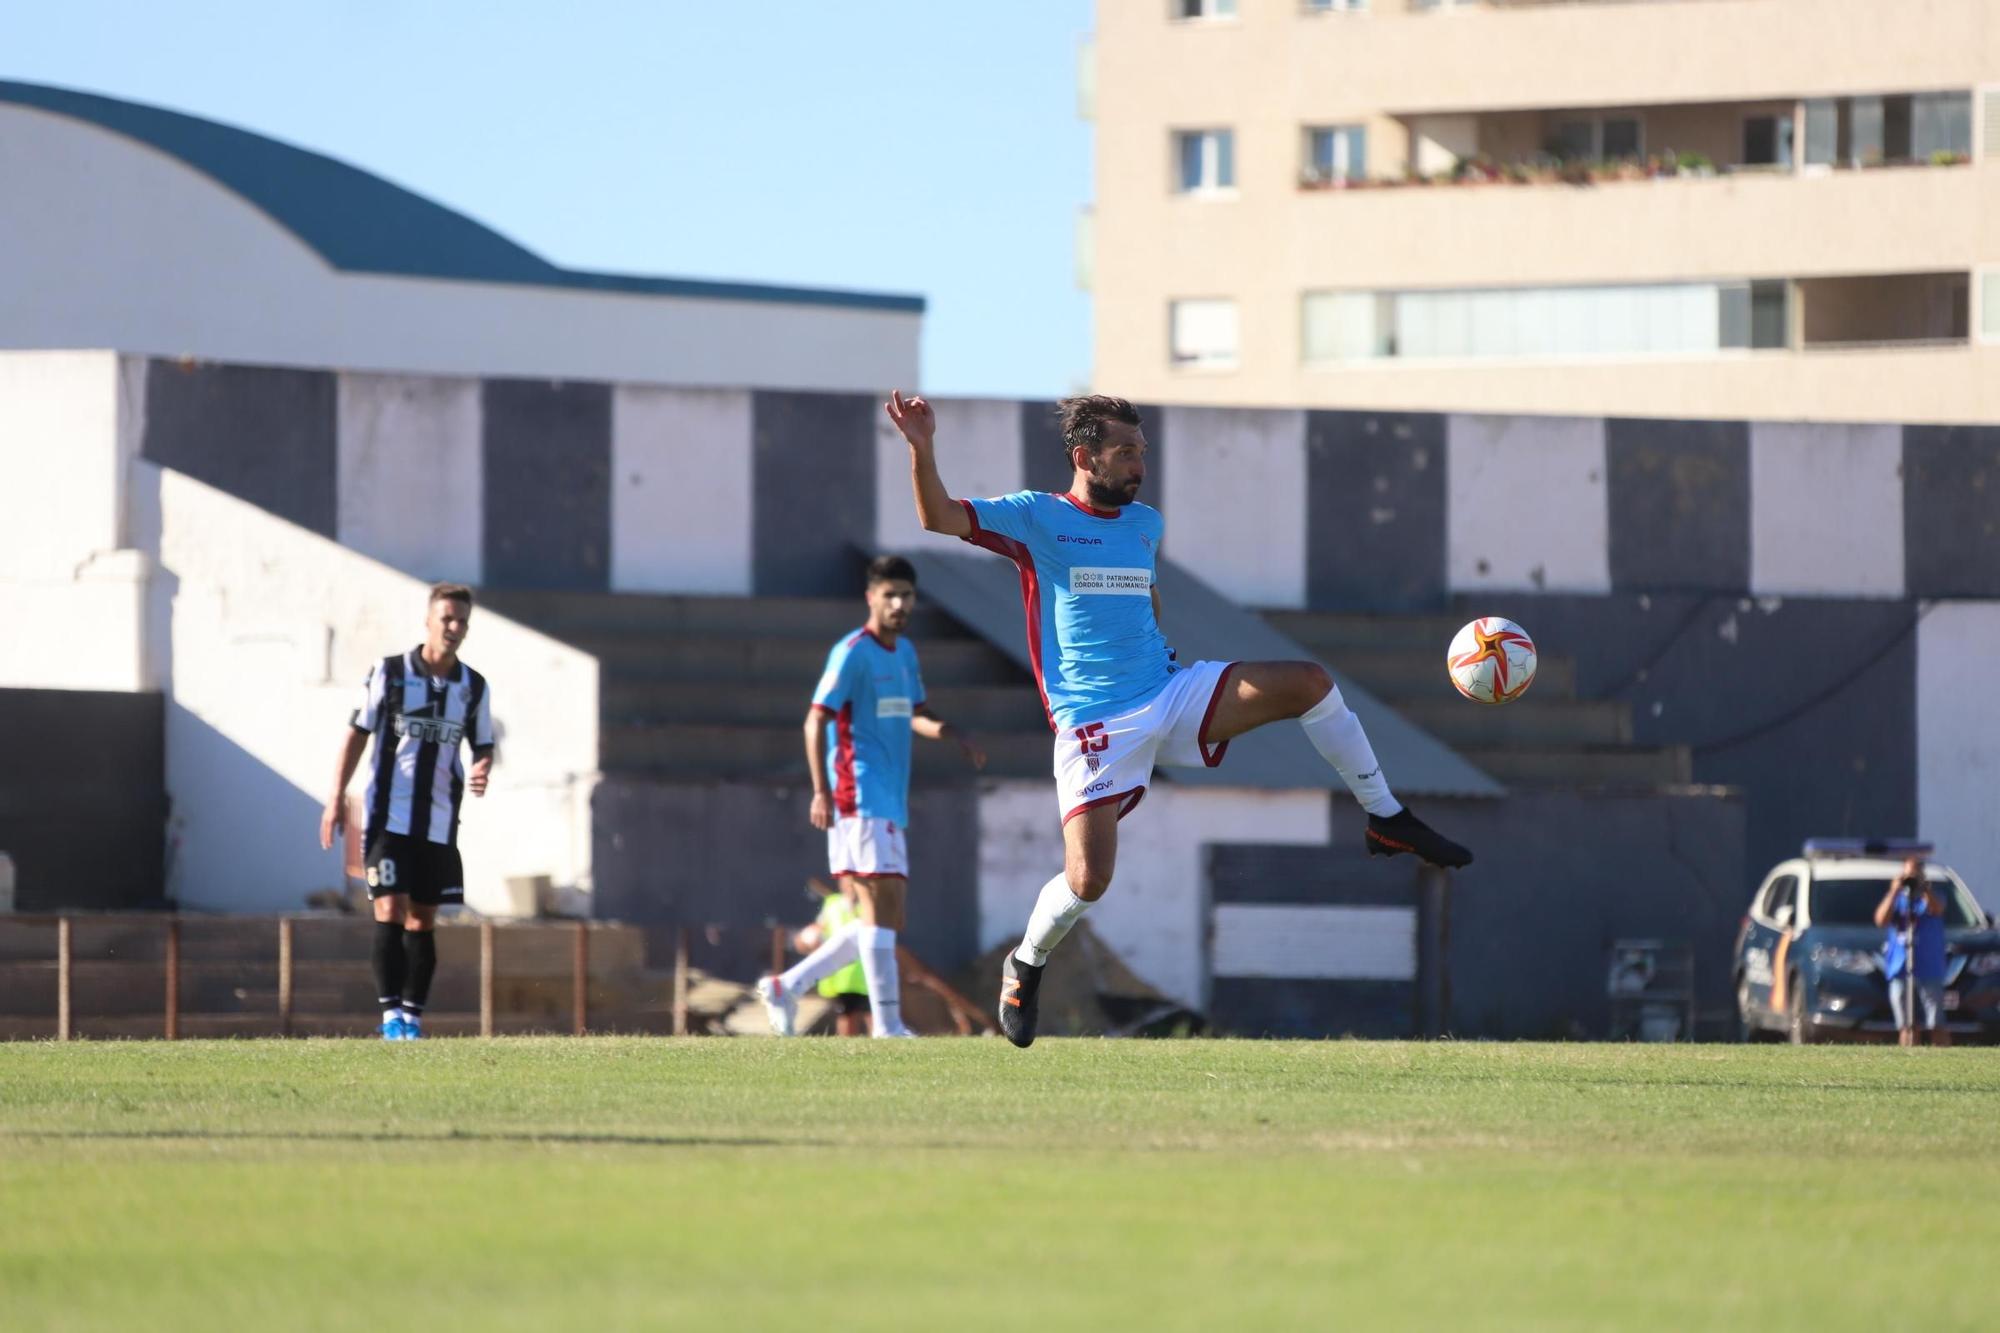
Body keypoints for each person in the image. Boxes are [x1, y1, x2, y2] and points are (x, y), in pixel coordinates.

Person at [884, 390, 1473, 1048]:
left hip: (1168, 690)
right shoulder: (1037, 519)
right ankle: (1026, 963)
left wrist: (1159, 651)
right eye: (1126, 452)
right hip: (1093, 723)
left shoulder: (1145, 524)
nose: (1140, 464)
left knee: (1309, 682)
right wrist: (921, 446)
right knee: (1088, 880)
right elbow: (938, 516)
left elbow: (1143, 591)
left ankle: (1386, 816)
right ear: (1085, 456)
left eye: (1143, 451)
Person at [756, 555, 986, 1039]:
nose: (899, 603)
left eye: (906, 595)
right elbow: (815, 718)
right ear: (872, 598)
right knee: (883, 909)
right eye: (890, 595)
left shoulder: (904, 653)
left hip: (886, 800)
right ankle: (886, 1025)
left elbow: (914, 713)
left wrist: (951, 733)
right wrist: (821, 791)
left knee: (884, 916)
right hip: (858, 796)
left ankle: (787, 986)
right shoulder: (852, 652)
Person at [319, 583, 495, 1040]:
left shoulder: (473, 686)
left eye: (462, 621)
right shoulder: (391, 673)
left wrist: (481, 768)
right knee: (389, 909)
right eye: (447, 619)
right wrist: (336, 795)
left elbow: (484, 744)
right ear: (429, 621)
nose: (454, 628)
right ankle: (390, 1017)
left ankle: (412, 1020)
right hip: (387, 818)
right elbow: (357, 732)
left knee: (423, 918)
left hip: (439, 821)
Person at [1874, 856, 1951, 1048]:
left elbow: (1937, 909)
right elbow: (1881, 920)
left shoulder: (1933, 897)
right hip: (1900, 966)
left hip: (1928, 967)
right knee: (1906, 1024)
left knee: (1936, 1023)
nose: (1911, 879)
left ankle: (1944, 1059)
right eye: (1908, 874)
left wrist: (1924, 888)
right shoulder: (1898, 900)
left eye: (1915, 875)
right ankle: (1909, 1059)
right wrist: (1894, 891)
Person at [792, 877, 871, 1036]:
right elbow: (815, 931)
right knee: (847, 1021)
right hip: (843, 979)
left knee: (876, 1020)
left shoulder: (868, 905)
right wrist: (809, 938)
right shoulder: (833, 905)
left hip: (868, 976)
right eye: (846, 881)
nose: (850, 886)